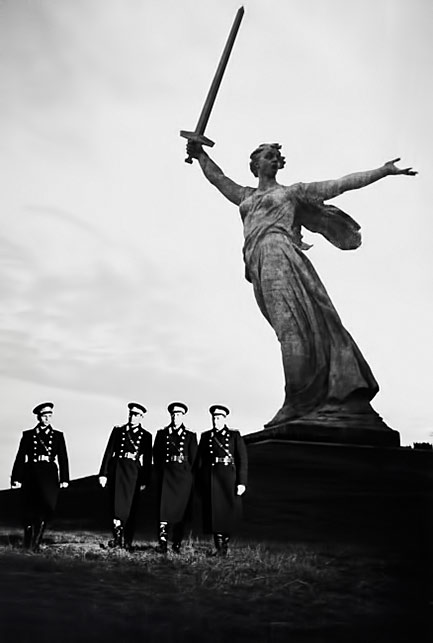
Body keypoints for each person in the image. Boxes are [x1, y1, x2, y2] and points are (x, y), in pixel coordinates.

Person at [186, 140, 417, 428]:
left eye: (276, 157)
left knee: (291, 329)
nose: (273, 160)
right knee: (290, 330)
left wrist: (382, 171)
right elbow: (219, 179)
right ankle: (306, 396)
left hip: (280, 254)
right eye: (267, 157)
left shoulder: (291, 193)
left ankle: (296, 401)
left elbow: (339, 184)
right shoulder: (245, 195)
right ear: (255, 164)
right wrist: (200, 155)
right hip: (258, 263)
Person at [10, 402, 70, 550]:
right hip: (31, 472)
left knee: (47, 507)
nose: (47, 419)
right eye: (44, 416)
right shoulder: (28, 435)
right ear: (39, 417)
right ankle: (27, 543)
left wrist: (64, 478)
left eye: (50, 416)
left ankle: (36, 544)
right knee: (29, 508)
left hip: (49, 474)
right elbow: (20, 457)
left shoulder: (58, 436)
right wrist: (16, 477)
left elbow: (63, 458)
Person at [99, 402, 152, 550]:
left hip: (133, 472)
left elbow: (147, 461)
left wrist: (145, 480)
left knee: (131, 508)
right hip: (117, 469)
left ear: (141, 417)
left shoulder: (146, 436)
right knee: (115, 505)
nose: (132, 417)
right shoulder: (118, 431)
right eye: (131, 414)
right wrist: (103, 473)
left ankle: (127, 541)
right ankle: (117, 539)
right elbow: (108, 452)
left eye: (136, 415)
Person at [197, 405, 248, 556]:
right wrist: (201, 480)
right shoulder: (206, 436)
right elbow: (201, 460)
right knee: (215, 512)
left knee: (230, 512)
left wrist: (242, 482)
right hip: (213, 479)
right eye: (214, 418)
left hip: (229, 478)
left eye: (219, 418)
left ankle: (224, 543)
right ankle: (220, 549)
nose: (215, 420)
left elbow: (242, 460)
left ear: (224, 419)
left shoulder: (234, 435)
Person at [153, 402, 198, 553]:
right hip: (166, 475)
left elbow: (194, 459)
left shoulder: (191, 436)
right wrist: (160, 472)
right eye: (173, 414)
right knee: (163, 509)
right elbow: (156, 455)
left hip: (183, 477)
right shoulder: (162, 434)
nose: (175, 417)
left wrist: (189, 476)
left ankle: (177, 542)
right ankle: (163, 542)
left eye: (178, 414)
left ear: (183, 416)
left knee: (181, 511)